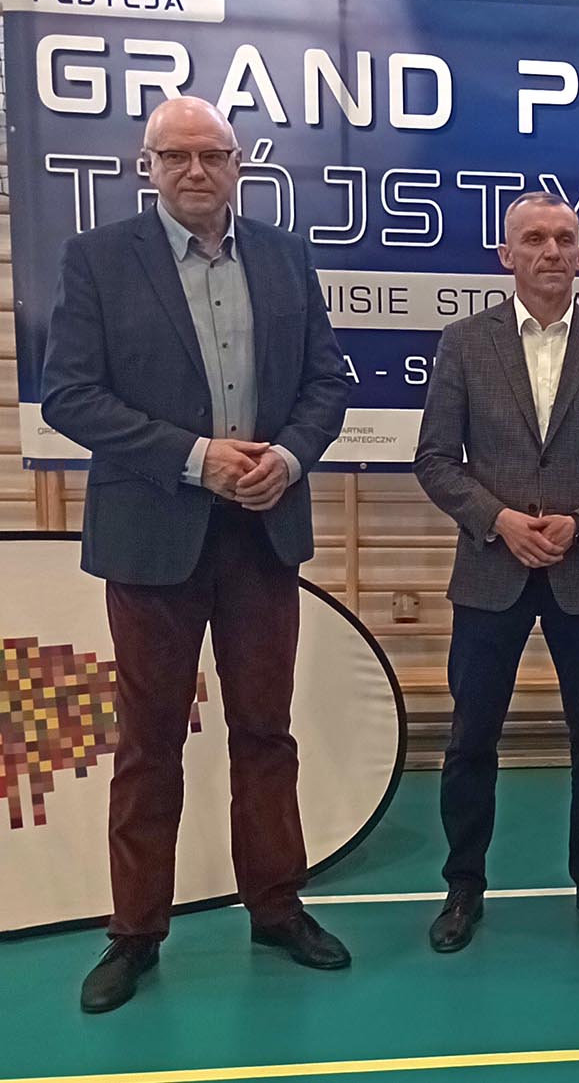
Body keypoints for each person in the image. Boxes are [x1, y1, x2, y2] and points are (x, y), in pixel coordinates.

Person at [41, 96, 351, 1014]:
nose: (194, 171)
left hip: (262, 533)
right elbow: (69, 395)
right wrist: (196, 458)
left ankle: (277, 907)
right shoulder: (98, 260)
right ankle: (135, 931)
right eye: (174, 156)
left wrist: (286, 458)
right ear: (147, 168)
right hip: (151, 537)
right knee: (149, 743)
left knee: (266, 732)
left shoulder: (286, 257)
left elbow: (327, 382)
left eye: (211, 155)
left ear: (237, 164)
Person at [414, 192, 579, 951]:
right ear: (507, 255)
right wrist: (498, 520)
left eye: (563, 239)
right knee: (471, 740)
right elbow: (435, 460)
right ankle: (463, 887)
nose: (550, 251)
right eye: (533, 239)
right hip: (490, 569)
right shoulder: (464, 343)